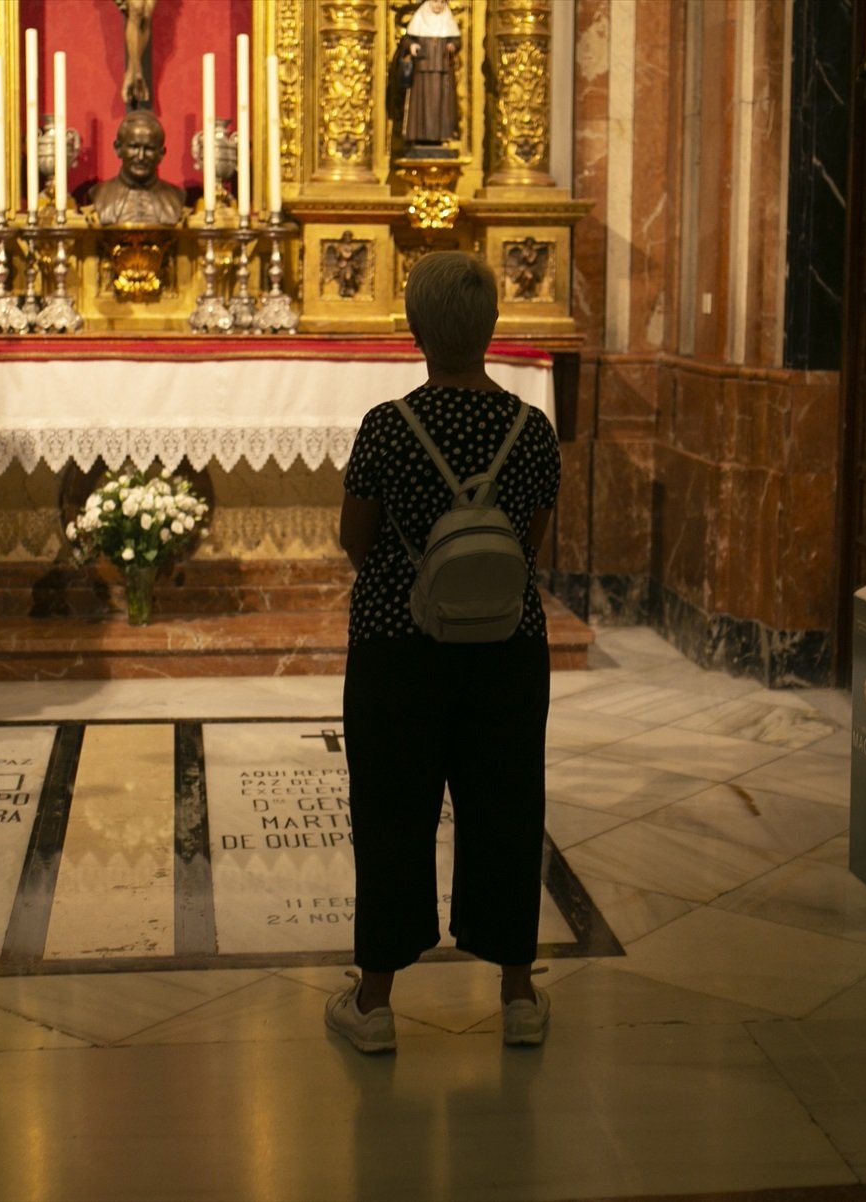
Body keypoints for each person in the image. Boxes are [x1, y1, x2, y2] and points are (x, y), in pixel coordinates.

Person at [328, 251, 560, 1053]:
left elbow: (355, 539)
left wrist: (409, 583)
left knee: (392, 812)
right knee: (507, 808)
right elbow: (531, 548)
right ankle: (519, 996)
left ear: (417, 331)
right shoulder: (533, 430)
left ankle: (377, 1004)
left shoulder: (388, 427)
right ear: (491, 329)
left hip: (398, 648)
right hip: (508, 646)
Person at [87, 109, 187, 226]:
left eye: (149, 148)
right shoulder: (97, 194)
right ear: (118, 148)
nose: (140, 156)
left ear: (161, 153)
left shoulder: (177, 197)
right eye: (134, 147)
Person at [393, 0, 462, 147]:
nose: (438, 5)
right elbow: (407, 39)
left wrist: (452, 46)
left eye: (442, 2)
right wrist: (412, 45)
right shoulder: (419, 18)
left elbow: (456, 40)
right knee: (421, 103)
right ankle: (419, 135)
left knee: (441, 104)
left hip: (443, 71)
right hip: (422, 72)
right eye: (435, 1)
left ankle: (441, 135)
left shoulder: (448, 20)